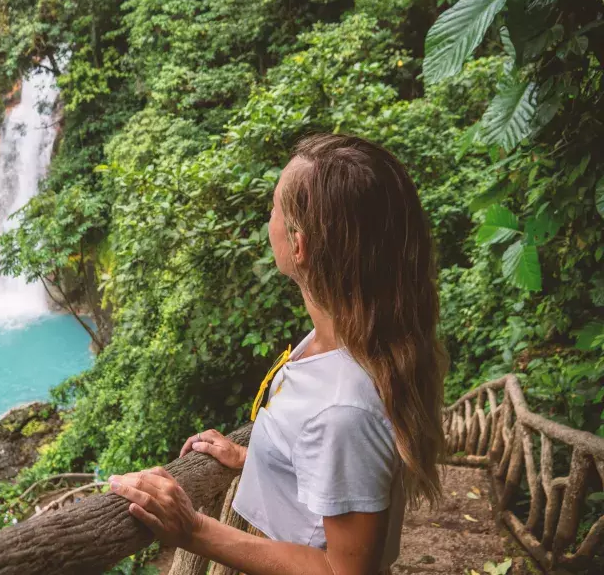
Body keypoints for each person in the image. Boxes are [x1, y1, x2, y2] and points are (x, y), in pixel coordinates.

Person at [108, 133, 447, 574]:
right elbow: (325, 470)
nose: (267, 220)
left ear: (299, 244)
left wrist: (192, 530)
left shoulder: (345, 408)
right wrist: (261, 459)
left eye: (273, 209)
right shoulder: (345, 340)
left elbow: (341, 571)